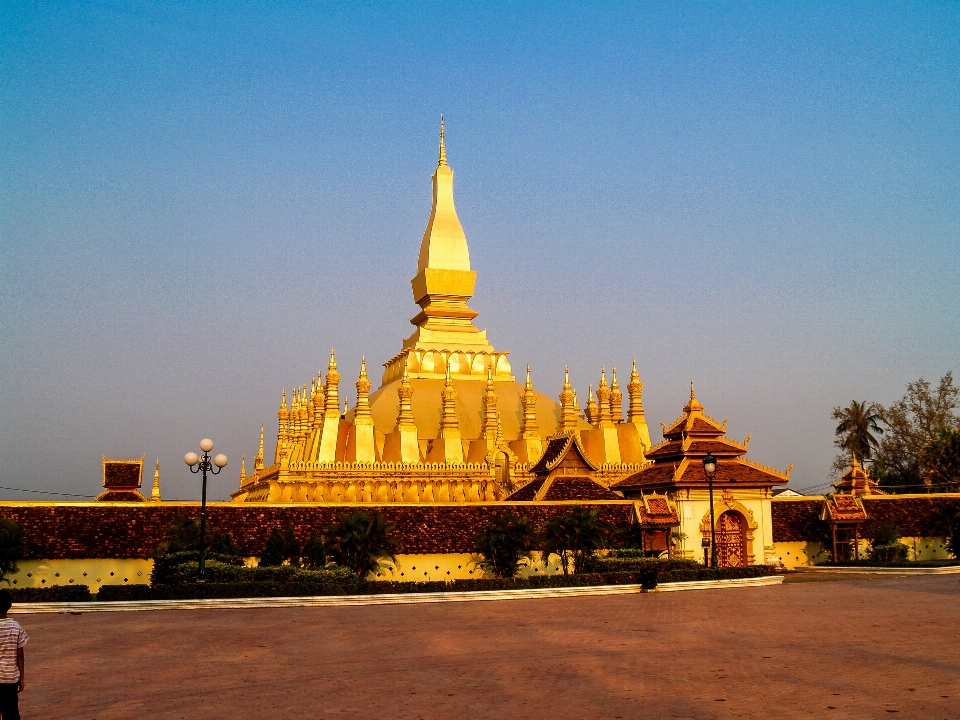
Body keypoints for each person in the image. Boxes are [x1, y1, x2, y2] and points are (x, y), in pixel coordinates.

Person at [0, 590, 27, 720]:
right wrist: (22, 677)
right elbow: (20, 654)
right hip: (10, 678)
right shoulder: (16, 627)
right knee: (11, 713)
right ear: (10, 606)